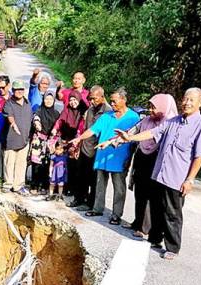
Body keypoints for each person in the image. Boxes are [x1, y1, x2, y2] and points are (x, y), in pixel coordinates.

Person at [115, 88, 201, 260]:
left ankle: (172, 247)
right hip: (160, 173)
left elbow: (200, 155)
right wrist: (129, 138)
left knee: (173, 213)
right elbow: (152, 133)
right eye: (185, 99)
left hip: (177, 177)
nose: (187, 103)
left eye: (191, 100)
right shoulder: (173, 121)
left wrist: (190, 179)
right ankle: (155, 238)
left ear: (200, 103)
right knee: (157, 208)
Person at [99, 93, 178, 237]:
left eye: (154, 107)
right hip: (141, 158)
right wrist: (110, 142)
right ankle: (138, 222)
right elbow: (129, 133)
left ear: (163, 107)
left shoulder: (168, 123)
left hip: (156, 160)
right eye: (150, 107)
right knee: (139, 192)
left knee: (150, 195)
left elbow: (153, 137)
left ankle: (145, 228)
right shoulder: (146, 120)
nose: (151, 110)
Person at [70, 88, 140, 225]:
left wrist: (128, 159)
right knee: (99, 184)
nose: (112, 104)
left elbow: (134, 142)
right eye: (111, 101)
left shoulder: (133, 118)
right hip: (102, 155)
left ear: (123, 100)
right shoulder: (107, 116)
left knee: (119, 188)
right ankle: (97, 208)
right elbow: (92, 130)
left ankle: (116, 214)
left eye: (114, 101)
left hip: (119, 158)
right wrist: (79, 139)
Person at [67, 85, 112, 210]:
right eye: (90, 99)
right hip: (85, 147)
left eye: (94, 99)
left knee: (94, 180)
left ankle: (90, 204)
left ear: (102, 97)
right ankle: (79, 199)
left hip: (97, 150)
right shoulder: (90, 110)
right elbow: (85, 129)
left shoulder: (108, 112)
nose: (92, 101)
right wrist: (79, 144)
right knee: (81, 176)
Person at [3, 80, 33, 196]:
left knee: (21, 164)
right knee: (9, 162)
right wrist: (14, 125)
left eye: (21, 89)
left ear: (24, 91)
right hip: (11, 139)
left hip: (24, 139)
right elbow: (9, 116)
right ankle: (8, 184)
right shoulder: (9, 103)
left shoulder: (27, 103)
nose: (19, 92)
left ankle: (18, 186)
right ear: (13, 91)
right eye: (16, 90)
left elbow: (30, 118)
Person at [53, 91, 86, 196]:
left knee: (76, 167)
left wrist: (77, 141)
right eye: (70, 100)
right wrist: (55, 129)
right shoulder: (67, 110)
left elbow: (83, 127)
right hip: (66, 140)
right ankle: (65, 187)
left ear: (79, 100)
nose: (72, 102)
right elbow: (60, 121)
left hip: (78, 141)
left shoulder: (84, 111)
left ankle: (75, 189)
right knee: (65, 165)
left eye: (74, 100)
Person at [29, 88, 59, 194]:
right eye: (47, 98)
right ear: (43, 99)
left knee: (47, 163)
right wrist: (37, 124)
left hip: (50, 141)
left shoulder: (56, 113)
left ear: (54, 100)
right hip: (39, 139)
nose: (48, 101)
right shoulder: (39, 110)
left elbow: (59, 126)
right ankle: (34, 185)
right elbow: (35, 118)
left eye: (51, 99)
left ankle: (45, 186)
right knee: (36, 163)